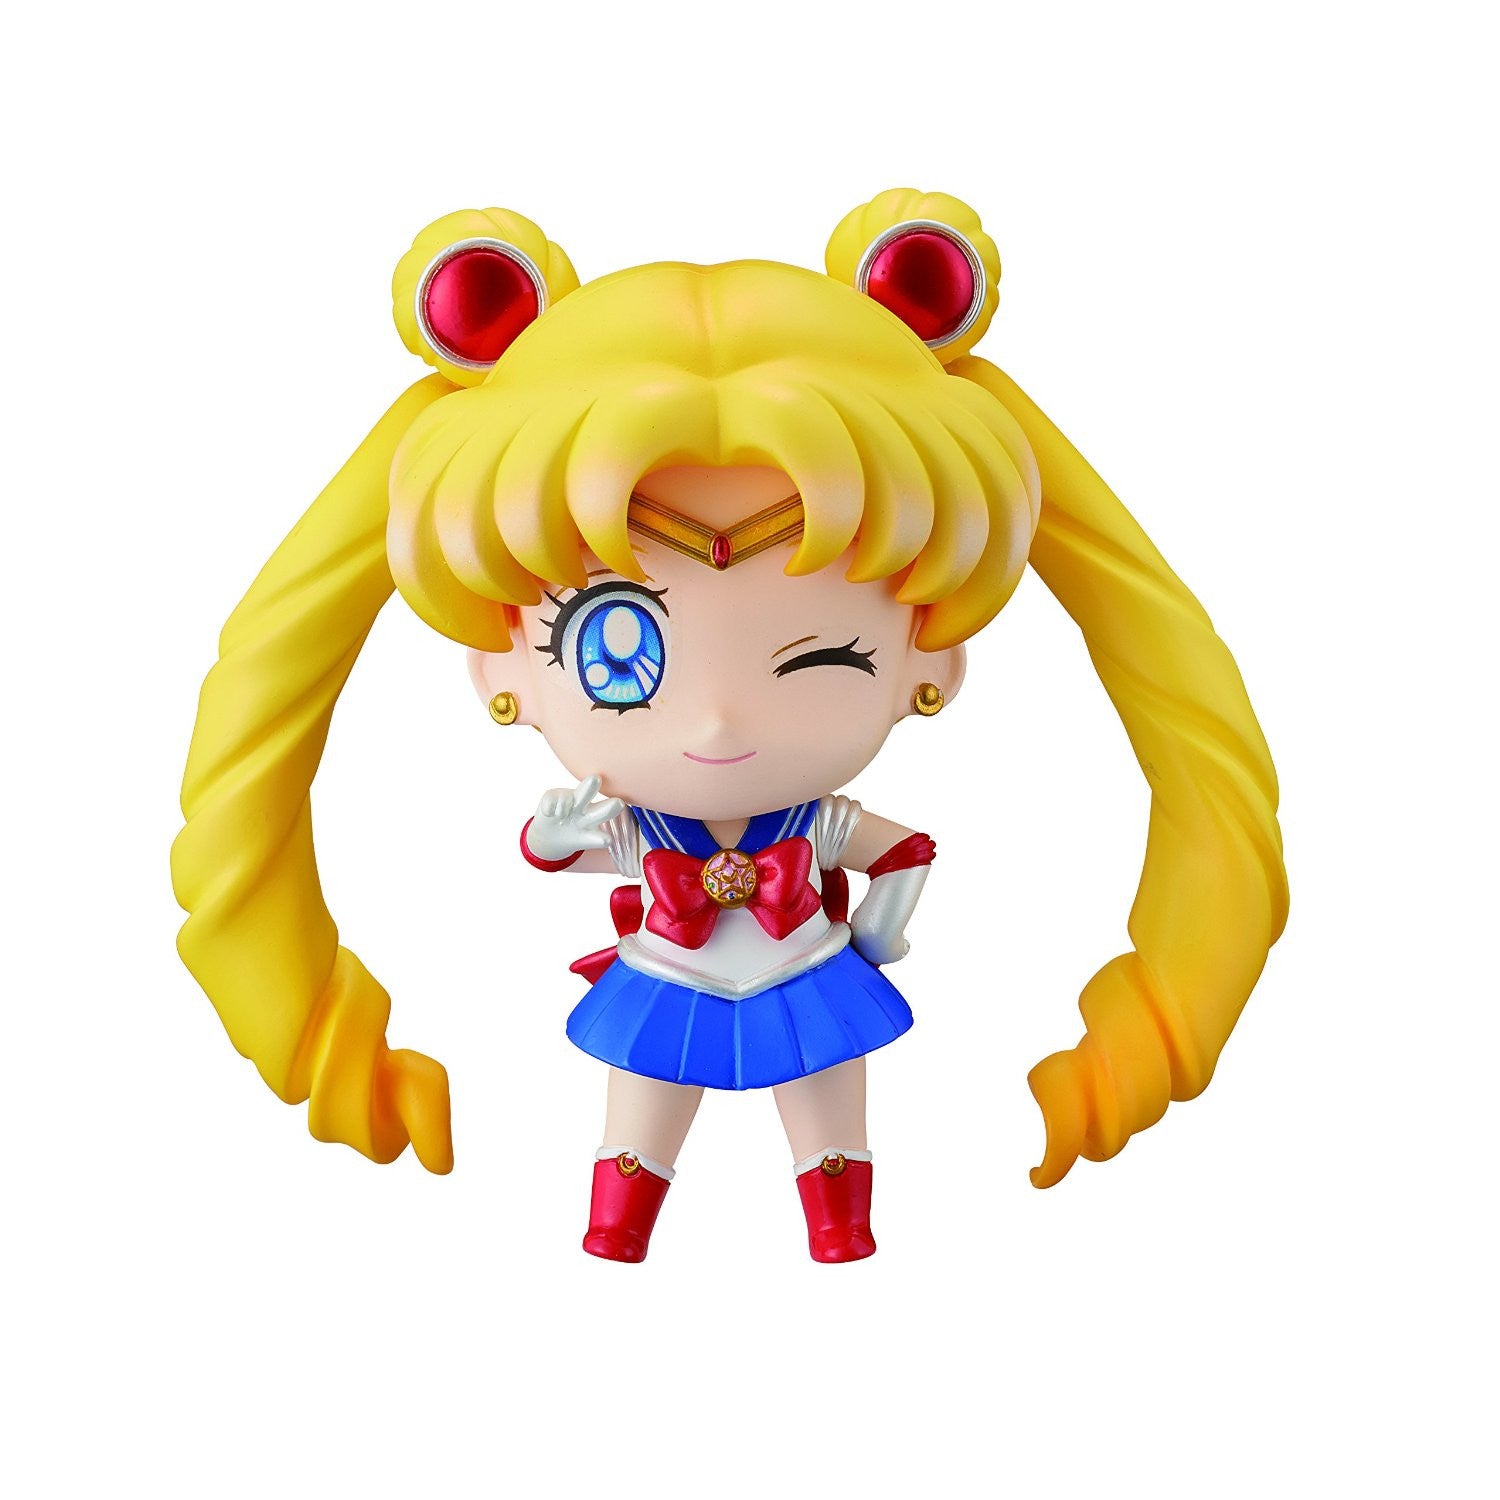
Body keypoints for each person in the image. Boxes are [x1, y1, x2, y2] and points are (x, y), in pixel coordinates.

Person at [173, 188, 1287, 1263]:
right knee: (643, 1103)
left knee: (828, 1103)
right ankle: (618, 1225)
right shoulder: (648, 827)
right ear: (501, 671)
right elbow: (553, 848)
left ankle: (839, 1226)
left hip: (808, 964)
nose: (715, 717)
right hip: (671, 967)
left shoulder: (822, 822)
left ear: (931, 663)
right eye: (618, 658)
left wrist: (887, 927)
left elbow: (903, 851)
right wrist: (553, 837)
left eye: (824, 656)